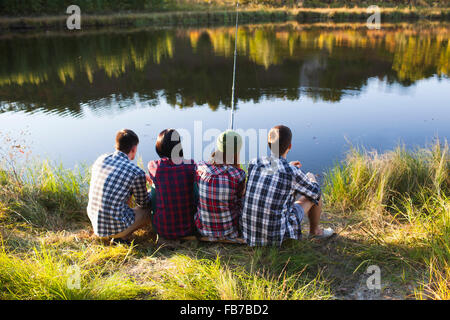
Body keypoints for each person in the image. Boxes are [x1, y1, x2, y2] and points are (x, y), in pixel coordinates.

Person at [241, 125, 334, 247]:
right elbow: (315, 193)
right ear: (289, 146)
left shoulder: (254, 163)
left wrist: (289, 166)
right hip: (276, 237)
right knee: (314, 191)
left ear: (269, 144)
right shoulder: (291, 172)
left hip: (249, 233)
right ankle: (315, 231)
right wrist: (311, 179)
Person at [87, 129, 151, 241]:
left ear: (116, 145)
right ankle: (121, 235)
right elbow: (144, 203)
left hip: (96, 223)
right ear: (134, 149)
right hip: (115, 228)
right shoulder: (136, 172)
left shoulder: (100, 160)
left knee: (123, 193)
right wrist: (152, 191)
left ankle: (119, 231)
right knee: (149, 209)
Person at [195, 130, 246, 242]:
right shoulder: (239, 175)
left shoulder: (200, 168)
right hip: (230, 231)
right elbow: (239, 200)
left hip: (203, 230)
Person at [147, 129, 197, 239]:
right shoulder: (191, 165)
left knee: (154, 189)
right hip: (189, 228)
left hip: (162, 229)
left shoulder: (153, 166)